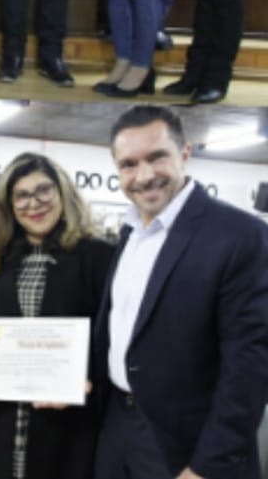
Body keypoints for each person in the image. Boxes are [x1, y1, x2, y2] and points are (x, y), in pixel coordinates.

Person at [93, 104, 268, 479]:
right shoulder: (130, 233)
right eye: (128, 165)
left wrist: (208, 466)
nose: (144, 176)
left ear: (185, 153)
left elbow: (250, 366)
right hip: (117, 428)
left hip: (186, 446)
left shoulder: (240, 235)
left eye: (157, 157)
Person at [0, 153, 113, 479]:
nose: (34, 203)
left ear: (62, 192)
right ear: (8, 204)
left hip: (65, 426)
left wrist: (86, 378)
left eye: (44, 190)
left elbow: (109, 336)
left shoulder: (98, 257)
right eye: (21, 195)